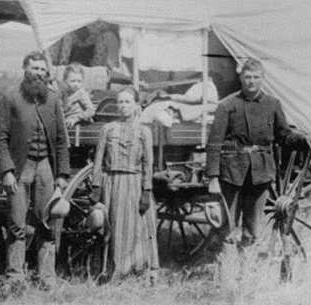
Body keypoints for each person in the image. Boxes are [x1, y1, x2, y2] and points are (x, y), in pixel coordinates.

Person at [205, 58, 311, 248]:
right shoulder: (227, 106)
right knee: (225, 225)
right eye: (247, 77)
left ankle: (245, 264)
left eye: (256, 77)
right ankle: (225, 266)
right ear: (241, 78)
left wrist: (301, 140)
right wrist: (213, 177)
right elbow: (214, 143)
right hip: (232, 172)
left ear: (262, 78)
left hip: (260, 173)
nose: (251, 81)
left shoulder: (272, 104)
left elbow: (283, 135)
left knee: (253, 227)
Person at [0, 51, 70, 288]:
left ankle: (47, 278)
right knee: (17, 223)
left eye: (42, 70)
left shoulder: (53, 99)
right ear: (24, 69)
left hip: (46, 167)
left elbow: (60, 140)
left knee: (47, 223)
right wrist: (7, 170)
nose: (39, 74)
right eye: (34, 68)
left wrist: (62, 175)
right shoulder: (10, 97)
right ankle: (15, 277)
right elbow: (0, 138)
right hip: (20, 168)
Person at [88, 87, 159, 283]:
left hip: (135, 184)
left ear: (137, 105)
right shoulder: (107, 129)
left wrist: (147, 190)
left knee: (137, 228)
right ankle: (113, 272)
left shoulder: (144, 131)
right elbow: (98, 161)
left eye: (128, 102)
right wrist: (96, 187)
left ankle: (138, 271)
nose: (123, 106)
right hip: (113, 184)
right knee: (115, 229)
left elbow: (147, 164)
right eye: (120, 102)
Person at [140, 77, 219, 125]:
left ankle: (170, 112)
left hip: (190, 108)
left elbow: (189, 99)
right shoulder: (204, 87)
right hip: (187, 106)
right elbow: (187, 99)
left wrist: (171, 97)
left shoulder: (206, 87)